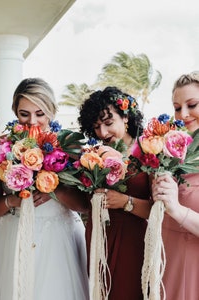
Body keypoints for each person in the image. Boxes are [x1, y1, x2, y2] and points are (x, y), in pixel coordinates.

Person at [0, 77, 89, 300]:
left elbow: (84, 205)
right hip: (12, 236)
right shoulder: (0, 147)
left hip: (58, 240)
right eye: (24, 113)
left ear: (51, 111)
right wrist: (13, 201)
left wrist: (55, 190)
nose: (32, 121)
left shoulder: (70, 147)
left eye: (40, 113)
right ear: (15, 111)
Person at [78, 86, 152, 299]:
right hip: (98, 235)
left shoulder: (147, 152)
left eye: (108, 123)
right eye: (97, 127)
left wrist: (125, 202)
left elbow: (160, 211)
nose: (103, 133)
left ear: (126, 117)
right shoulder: (94, 154)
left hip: (132, 239)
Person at [151, 71, 199, 299]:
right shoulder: (170, 152)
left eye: (192, 105)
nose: (184, 114)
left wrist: (177, 209)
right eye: (177, 108)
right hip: (167, 259)